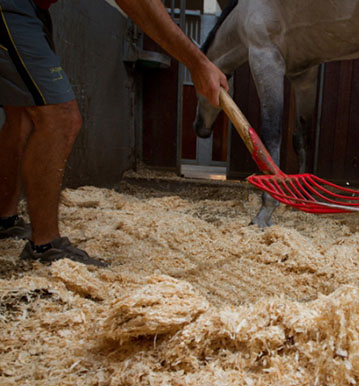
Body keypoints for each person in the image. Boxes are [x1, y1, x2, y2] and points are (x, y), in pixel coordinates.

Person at [0, 0, 228, 266]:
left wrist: (197, 63)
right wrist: (198, 63)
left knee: (23, 115)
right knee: (60, 117)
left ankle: (4, 220)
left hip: (33, 10)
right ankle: (45, 245)